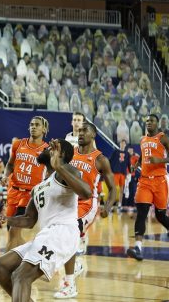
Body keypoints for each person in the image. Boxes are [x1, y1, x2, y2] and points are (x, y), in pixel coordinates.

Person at [0, 139, 92, 302]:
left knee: (20, 276)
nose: (44, 149)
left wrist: (59, 166)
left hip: (63, 233)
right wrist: (7, 219)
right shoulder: (39, 187)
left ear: (61, 154)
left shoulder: (66, 170)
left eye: (50, 148)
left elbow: (86, 192)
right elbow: (29, 220)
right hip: (46, 234)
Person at [54, 121, 116, 299]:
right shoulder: (70, 155)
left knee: (68, 233)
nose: (80, 133)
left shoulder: (100, 159)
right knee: (58, 235)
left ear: (93, 135)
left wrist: (108, 207)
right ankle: (76, 263)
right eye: (79, 130)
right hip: (68, 201)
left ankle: (70, 285)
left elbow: (112, 188)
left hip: (87, 204)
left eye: (85, 130)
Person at [0, 116, 49, 251]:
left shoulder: (47, 150)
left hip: (29, 195)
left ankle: (5, 267)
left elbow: (51, 173)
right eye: (31, 124)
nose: (33, 127)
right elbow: (10, 164)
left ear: (44, 129)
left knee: (15, 228)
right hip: (13, 190)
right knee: (12, 231)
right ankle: (26, 253)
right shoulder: (18, 144)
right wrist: (5, 175)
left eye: (37, 125)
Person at [127, 114, 169, 261]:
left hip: (160, 181)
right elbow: (143, 156)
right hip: (144, 181)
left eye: (151, 121)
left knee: (160, 215)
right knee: (142, 213)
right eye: (147, 121)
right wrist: (137, 164)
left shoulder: (163, 138)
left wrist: (160, 160)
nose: (148, 123)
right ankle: (138, 248)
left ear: (157, 124)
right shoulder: (143, 139)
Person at [109, 139, 131, 210]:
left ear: (125, 145)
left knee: (122, 189)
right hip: (116, 173)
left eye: (124, 143)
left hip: (123, 173)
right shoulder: (116, 152)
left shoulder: (127, 154)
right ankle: (112, 203)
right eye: (121, 143)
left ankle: (120, 204)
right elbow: (110, 161)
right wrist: (110, 171)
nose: (122, 144)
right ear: (120, 144)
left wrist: (129, 173)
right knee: (114, 189)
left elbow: (128, 164)